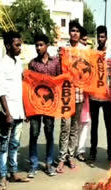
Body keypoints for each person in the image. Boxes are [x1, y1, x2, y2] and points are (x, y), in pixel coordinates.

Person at [0, 31, 30, 190]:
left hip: (19, 112)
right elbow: (1, 92)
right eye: (17, 45)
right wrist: (7, 114)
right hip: (8, 114)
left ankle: (13, 173)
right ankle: (2, 176)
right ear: (8, 45)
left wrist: (25, 110)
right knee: (3, 145)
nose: (20, 48)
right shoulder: (2, 64)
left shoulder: (18, 62)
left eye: (20, 45)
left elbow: (21, 88)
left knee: (15, 144)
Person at [27, 33, 60, 178]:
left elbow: (60, 82)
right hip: (35, 104)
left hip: (50, 105)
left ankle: (48, 163)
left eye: (41, 45)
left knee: (49, 133)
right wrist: (27, 109)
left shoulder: (55, 63)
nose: (38, 48)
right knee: (34, 133)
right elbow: (28, 87)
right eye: (36, 45)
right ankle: (33, 165)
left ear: (47, 46)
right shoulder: (32, 64)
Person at [56, 20, 86, 173]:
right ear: (69, 32)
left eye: (77, 31)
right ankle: (61, 158)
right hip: (66, 94)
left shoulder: (84, 50)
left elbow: (90, 69)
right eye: (72, 30)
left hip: (80, 94)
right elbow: (57, 68)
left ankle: (70, 156)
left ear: (80, 34)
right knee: (65, 126)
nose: (74, 33)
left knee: (75, 127)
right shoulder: (63, 49)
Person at [88, 25, 111, 166]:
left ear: (106, 38)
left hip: (106, 97)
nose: (100, 39)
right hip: (94, 96)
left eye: (103, 36)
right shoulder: (92, 54)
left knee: (109, 126)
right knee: (95, 126)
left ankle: (110, 153)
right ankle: (92, 153)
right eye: (99, 36)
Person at [75, 27, 91, 162]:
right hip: (71, 93)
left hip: (85, 94)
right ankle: (71, 151)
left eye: (86, 41)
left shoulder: (87, 52)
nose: (84, 43)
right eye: (83, 40)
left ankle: (80, 150)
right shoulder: (69, 50)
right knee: (72, 123)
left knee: (84, 122)